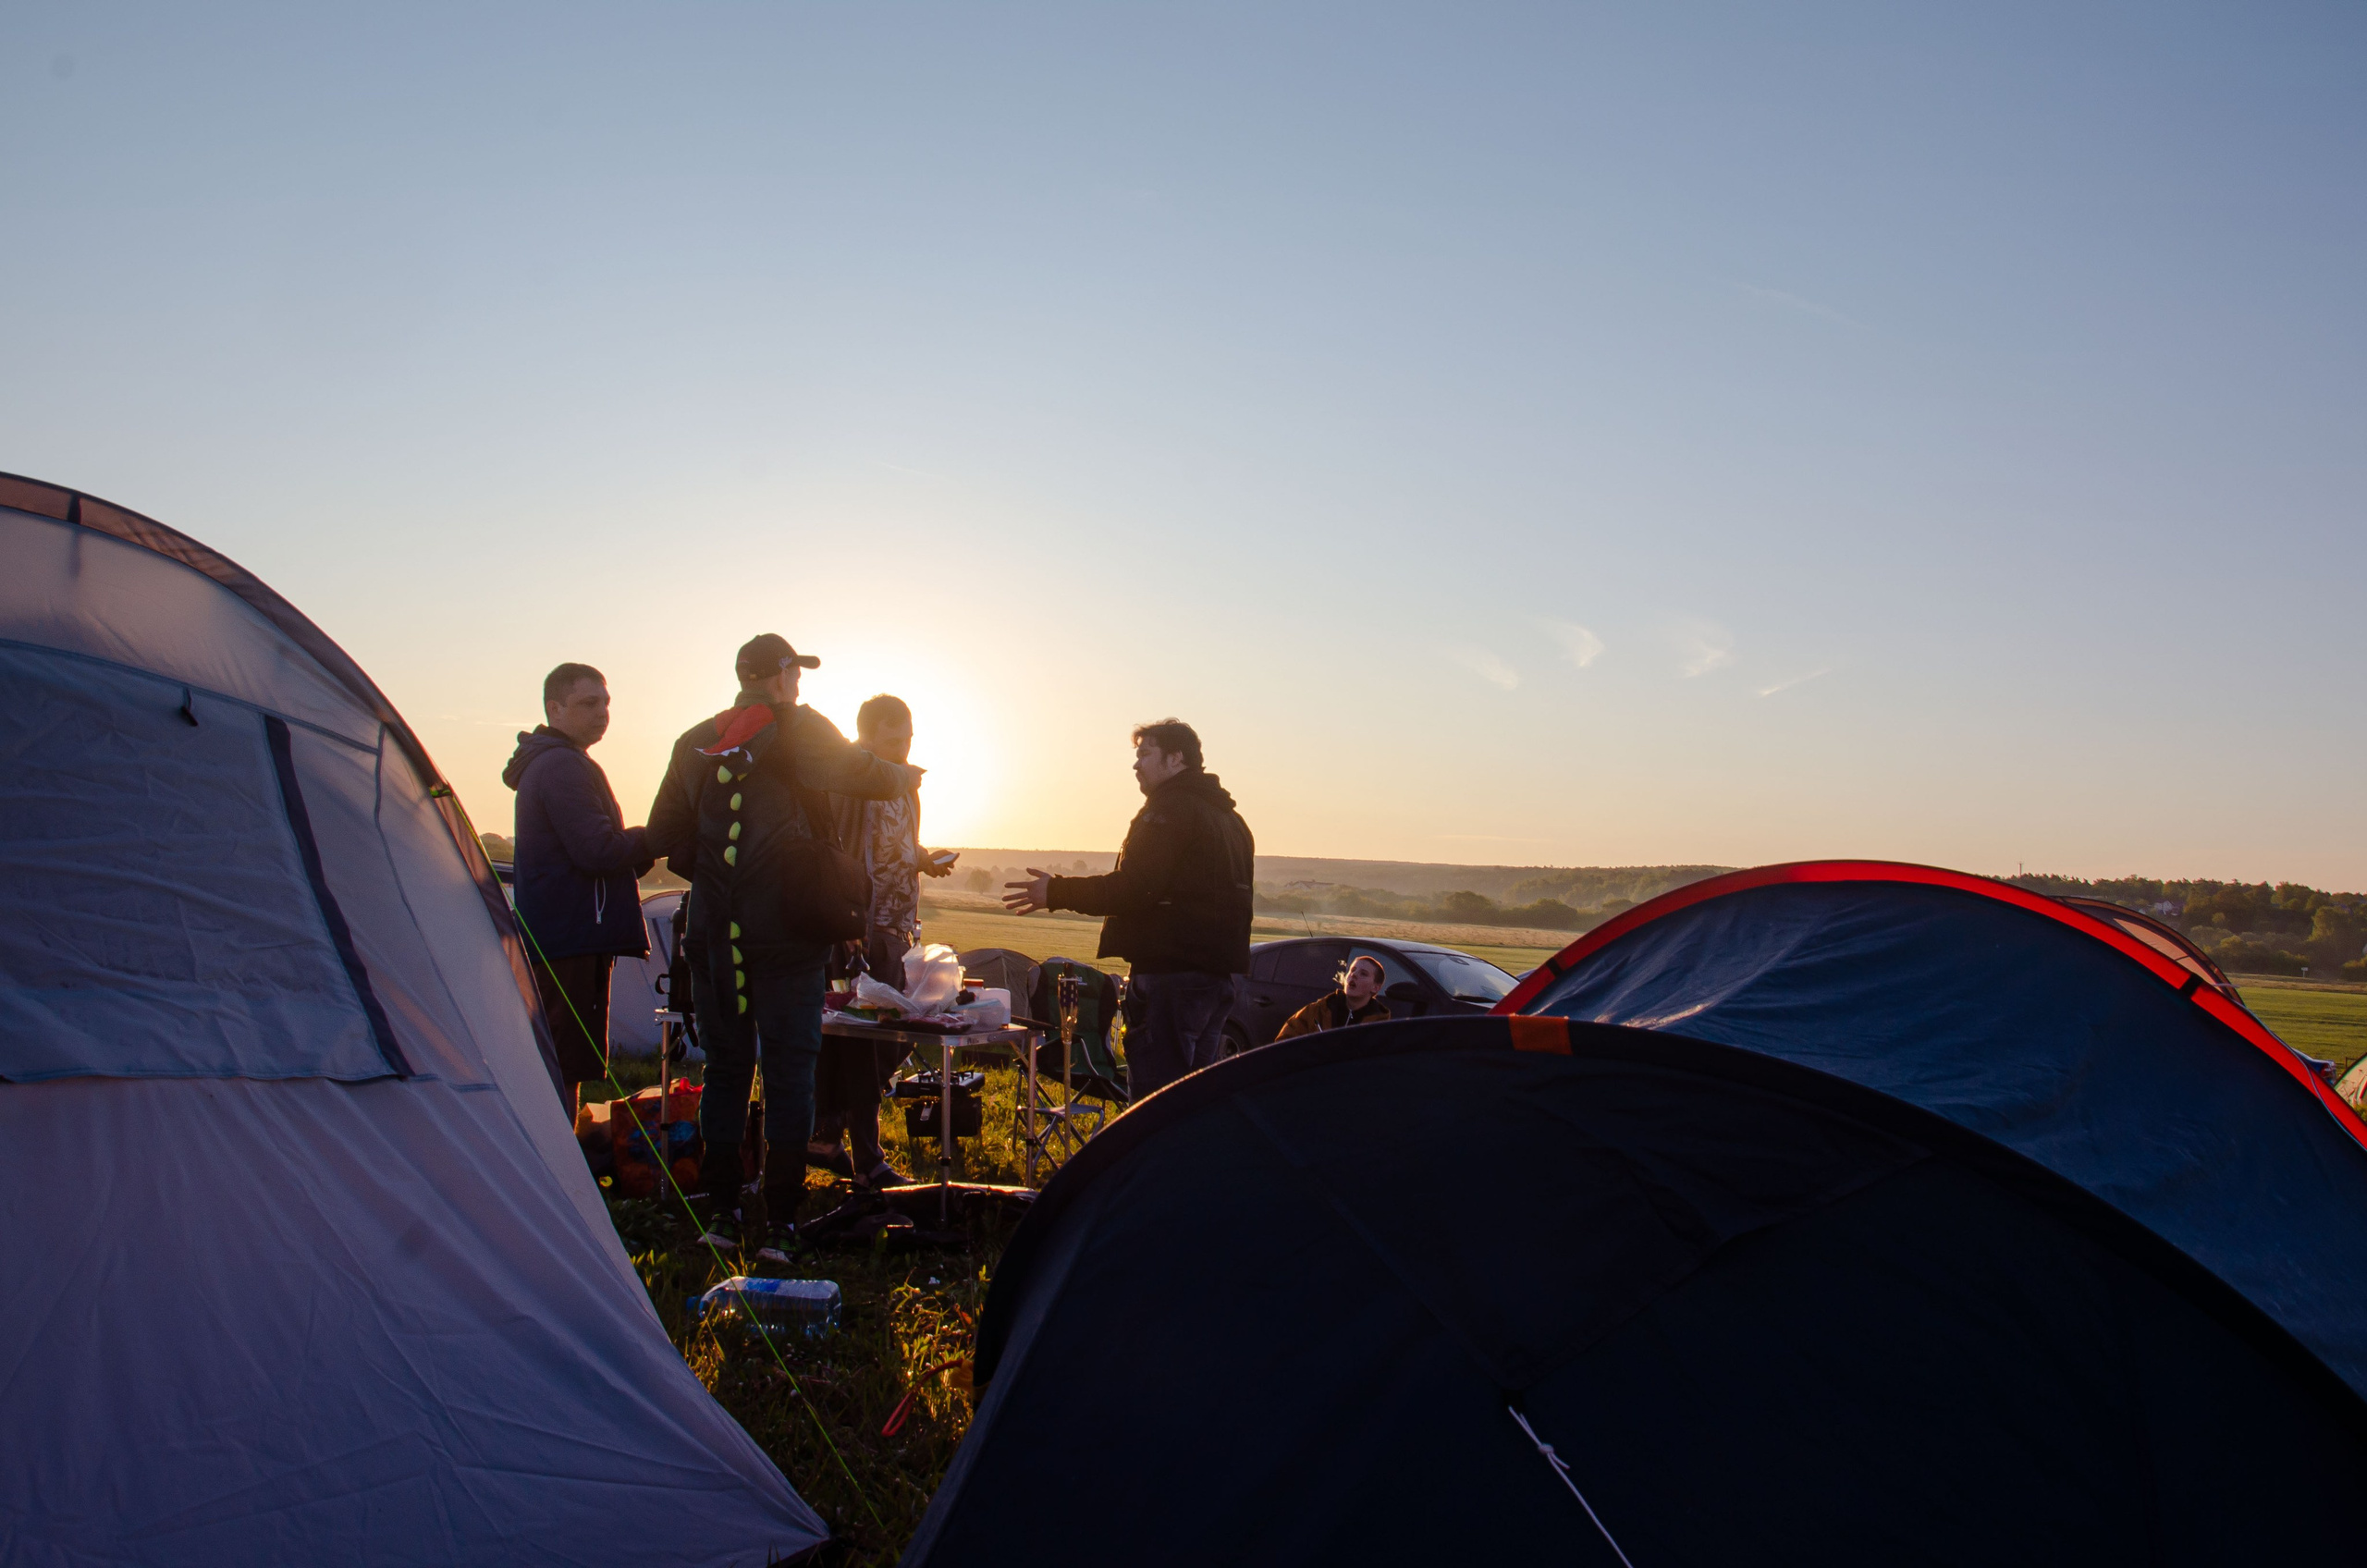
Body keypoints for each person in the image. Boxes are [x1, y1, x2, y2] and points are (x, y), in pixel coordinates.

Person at [646, 635, 923, 1259]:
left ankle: (722, 1210)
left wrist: (717, 871)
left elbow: (664, 833)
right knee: (789, 1071)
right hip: (790, 932)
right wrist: (905, 774)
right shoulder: (802, 729)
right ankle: (780, 1221)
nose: (798, 684)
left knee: (725, 1069)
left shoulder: (693, 741)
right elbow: (865, 774)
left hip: (713, 934)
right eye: (795, 674)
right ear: (779, 678)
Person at [1002, 719, 1253, 1100]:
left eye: (1145, 754)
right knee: (1195, 1105)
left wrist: (1056, 891)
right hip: (1216, 981)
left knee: (1156, 1106)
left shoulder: (1169, 810)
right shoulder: (1232, 821)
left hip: (1170, 980)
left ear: (1176, 758)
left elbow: (1134, 888)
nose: (1136, 765)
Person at [809, 693, 953, 1188]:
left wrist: (923, 858)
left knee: (891, 1037)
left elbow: (896, 844)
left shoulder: (905, 785)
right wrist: (849, 926)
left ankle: (828, 1134)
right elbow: (839, 852)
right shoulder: (848, 782)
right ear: (865, 738)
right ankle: (866, 1160)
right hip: (859, 931)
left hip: (898, 928)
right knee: (864, 1043)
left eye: (908, 739)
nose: (904, 749)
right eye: (893, 741)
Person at [503, 663, 654, 1118]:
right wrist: (659, 835)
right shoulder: (562, 766)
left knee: (562, 1056)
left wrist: (638, 849)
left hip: (564, 933)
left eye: (606, 703)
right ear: (555, 708)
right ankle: (558, 1158)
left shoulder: (560, 762)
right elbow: (597, 850)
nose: (602, 713)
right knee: (563, 1061)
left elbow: (602, 850)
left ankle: (556, 1151)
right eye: (589, 703)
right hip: (570, 935)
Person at [1273, 954, 1392, 1041]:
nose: (1354, 975)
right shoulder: (1317, 1011)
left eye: (1363, 974)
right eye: (1352, 970)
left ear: (1375, 988)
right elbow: (1284, 1041)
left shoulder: (1380, 1026)